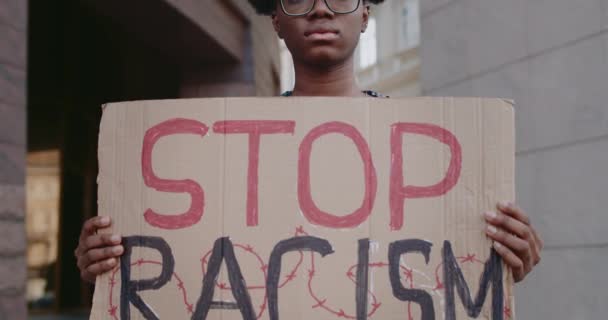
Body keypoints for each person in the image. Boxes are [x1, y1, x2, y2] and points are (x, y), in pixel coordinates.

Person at [75, 0, 542, 286]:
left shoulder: (425, 148)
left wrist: (496, 265)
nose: (320, 8)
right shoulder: (225, 150)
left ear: (364, 13)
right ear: (275, 19)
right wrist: (111, 266)